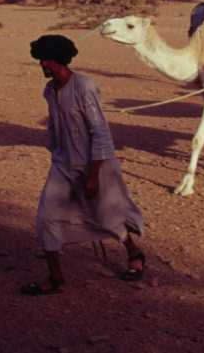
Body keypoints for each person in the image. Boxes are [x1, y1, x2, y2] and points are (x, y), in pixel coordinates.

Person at [22, 34, 145, 296]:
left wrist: (93, 175)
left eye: (47, 60)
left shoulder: (84, 87)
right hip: (63, 164)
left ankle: (134, 253)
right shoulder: (50, 91)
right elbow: (55, 126)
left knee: (107, 214)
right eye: (41, 60)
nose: (42, 65)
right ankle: (55, 277)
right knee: (46, 217)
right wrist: (56, 151)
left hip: (95, 164)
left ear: (59, 60)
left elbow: (100, 132)